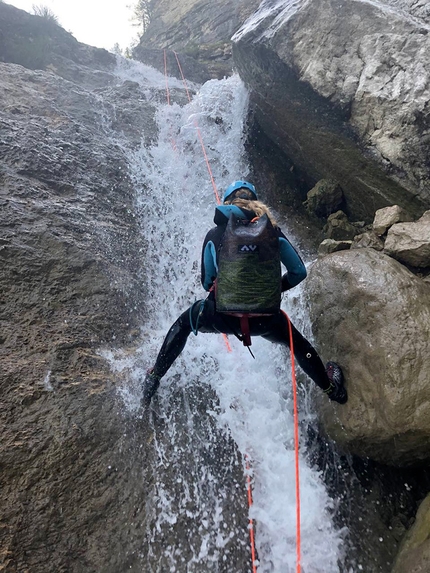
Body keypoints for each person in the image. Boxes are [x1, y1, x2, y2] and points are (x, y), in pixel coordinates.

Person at [143, 180, 347, 407]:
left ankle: (153, 378)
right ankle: (333, 390)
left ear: (228, 203)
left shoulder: (215, 234)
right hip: (266, 321)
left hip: (222, 317)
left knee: (184, 325)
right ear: (255, 203)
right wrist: (272, 289)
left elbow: (205, 282)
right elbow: (298, 272)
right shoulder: (274, 233)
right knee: (297, 344)